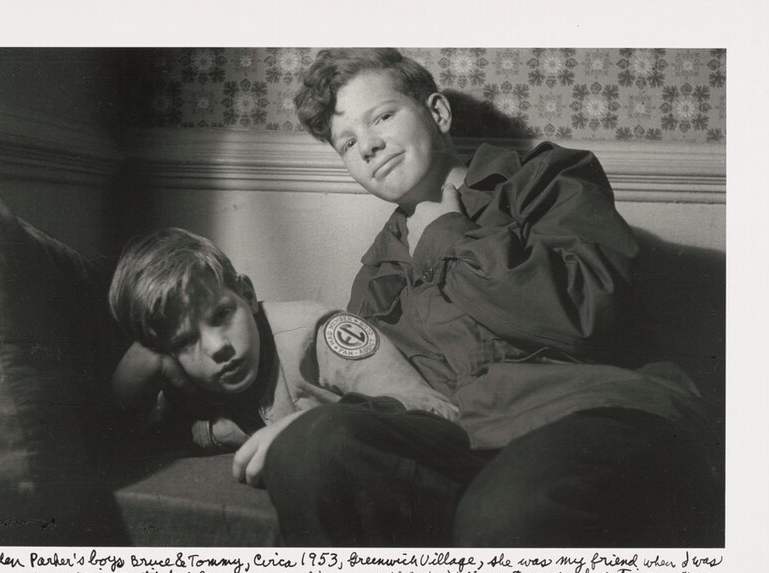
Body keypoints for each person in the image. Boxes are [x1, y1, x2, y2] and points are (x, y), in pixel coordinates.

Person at [261, 47, 722, 547]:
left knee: (503, 512)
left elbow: (585, 316)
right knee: (308, 449)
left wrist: (447, 234)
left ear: (437, 113)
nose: (368, 146)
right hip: (469, 438)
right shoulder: (378, 273)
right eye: (347, 143)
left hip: (597, 411)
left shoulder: (546, 180)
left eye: (383, 117)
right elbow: (402, 396)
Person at [107, 227, 464, 504]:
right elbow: (125, 443)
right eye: (186, 341)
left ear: (247, 295)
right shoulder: (183, 375)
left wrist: (316, 425)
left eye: (222, 315)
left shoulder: (319, 336)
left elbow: (439, 412)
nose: (218, 347)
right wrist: (127, 385)